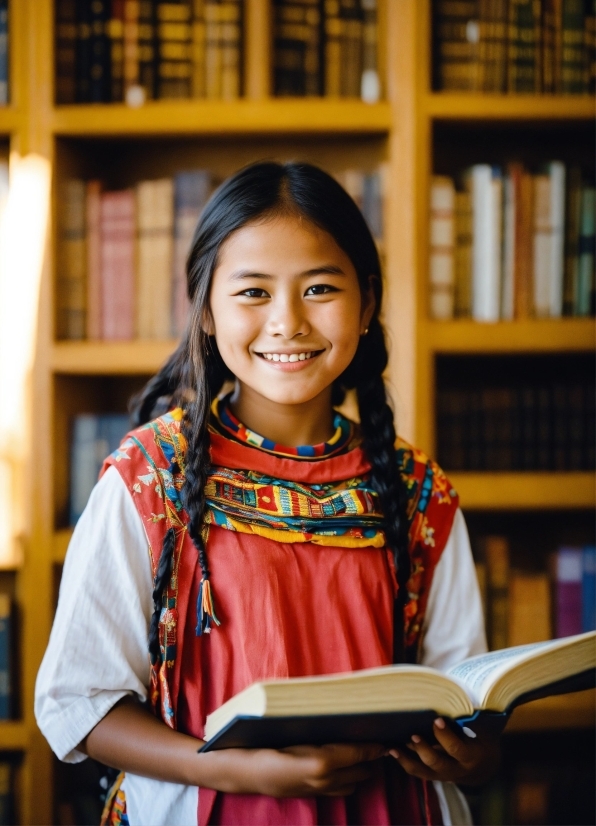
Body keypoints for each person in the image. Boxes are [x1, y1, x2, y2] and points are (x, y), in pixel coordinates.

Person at [36, 161, 497, 826]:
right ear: (204, 309)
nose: (287, 322)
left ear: (367, 304)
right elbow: (78, 703)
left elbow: (469, 700)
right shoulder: (147, 478)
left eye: (318, 289)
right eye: (253, 293)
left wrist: (472, 755)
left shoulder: (419, 491)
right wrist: (223, 767)